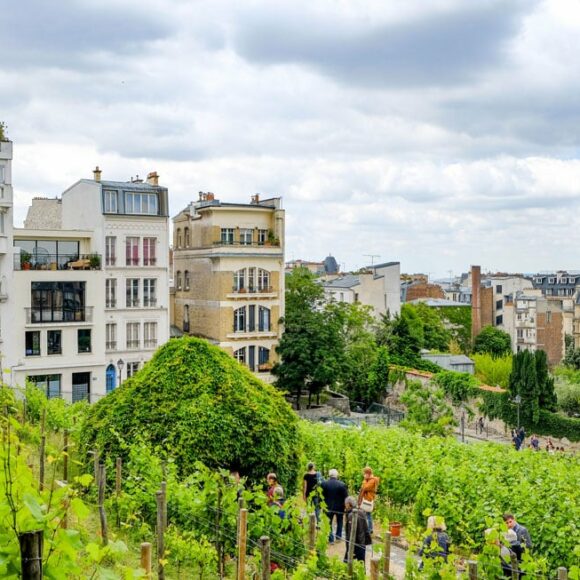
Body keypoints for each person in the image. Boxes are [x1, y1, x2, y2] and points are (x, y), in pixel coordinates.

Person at [321, 468, 348, 543]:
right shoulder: (342, 485)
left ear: (329, 475)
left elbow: (321, 496)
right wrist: (346, 507)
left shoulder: (324, 484)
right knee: (340, 521)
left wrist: (321, 506)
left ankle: (330, 539)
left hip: (327, 507)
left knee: (328, 523)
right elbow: (346, 497)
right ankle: (338, 537)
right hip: (340, 507)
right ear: (337, 475)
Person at [344, 496, 371, 565]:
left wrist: (348, 546)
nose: (345, 506)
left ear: (349, 504)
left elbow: (350, 533)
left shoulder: (351, 515)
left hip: (355, 544)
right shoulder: (362, 512)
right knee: (361, 564)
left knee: (346, 563)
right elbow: (366, 528)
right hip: (362, 543)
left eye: (346, 504)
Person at [358, 467, 379, 535]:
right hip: (365, 498)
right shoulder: (367, 480)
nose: (364, 475)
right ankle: (366, 528)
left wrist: (364, 482)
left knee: (368, 514)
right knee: (365, 514)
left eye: (365, 473)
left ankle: (370, 529)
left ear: (368, 473)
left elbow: (365, 487)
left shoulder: (372, 480)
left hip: (368, 499)